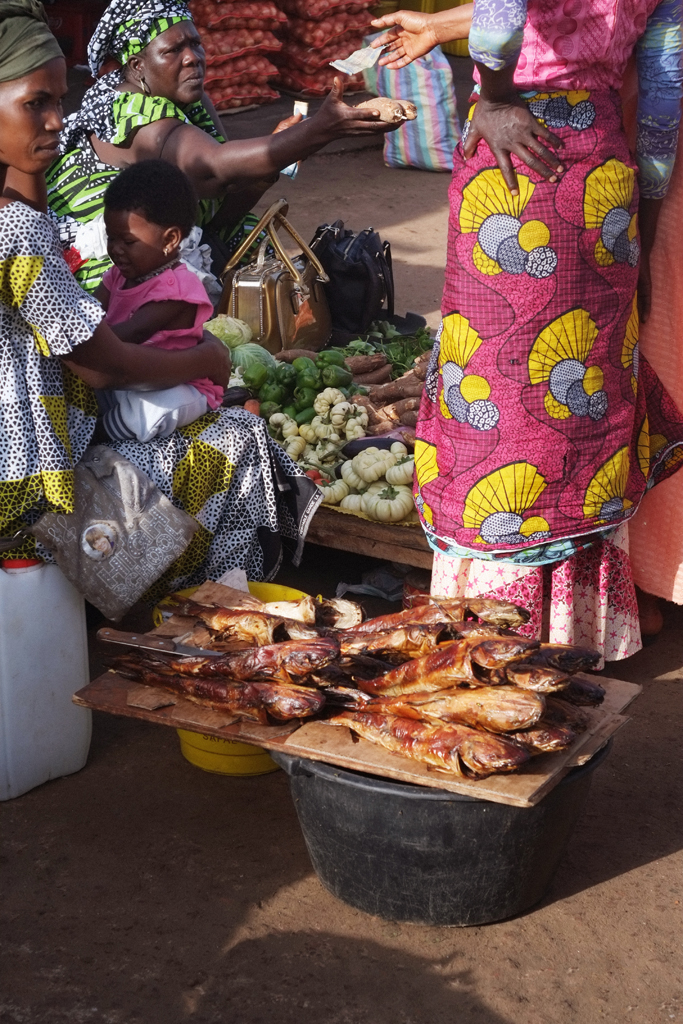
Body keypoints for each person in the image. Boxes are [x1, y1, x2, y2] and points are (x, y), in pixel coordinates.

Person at [372, 1, 683, 662]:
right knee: (580, 392)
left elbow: (498, 21)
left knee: (491, 381)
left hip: (517, 162)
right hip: (602, 175)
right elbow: (662, 95)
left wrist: (494, 99)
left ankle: (491, 625)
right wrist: (640, 226)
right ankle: (577, 628)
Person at [0, 0, 321, 599]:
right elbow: (102, 365)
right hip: (30, 492)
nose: (55, 123)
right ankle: (204, 613)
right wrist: (204, 363)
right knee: (235, 443)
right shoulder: (14, 231)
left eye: (57, 101)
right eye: (35, 105)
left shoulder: (22, 216)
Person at [46, 0, 395, 294]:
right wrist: (320, 129)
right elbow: (212, 169)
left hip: (166, 235)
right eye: (173, 50)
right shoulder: (132, 113)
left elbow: (221, 203)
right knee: (188, 277)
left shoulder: (187, 99)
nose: (192, 58)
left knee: (255, 247)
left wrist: (284, 152)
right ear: (138, 66)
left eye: (194, 44)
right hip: (108, 261)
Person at [96, 159, 221, 443]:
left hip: (177, 383)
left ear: (170, 239)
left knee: (153, 410)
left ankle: (104, 433)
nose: (115, 250)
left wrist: (84, 347)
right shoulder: (117, 275)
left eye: (127, 242)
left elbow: (132, 332)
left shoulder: (178, 289)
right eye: (110, 237)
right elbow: (91, 310)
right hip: (129, 374)